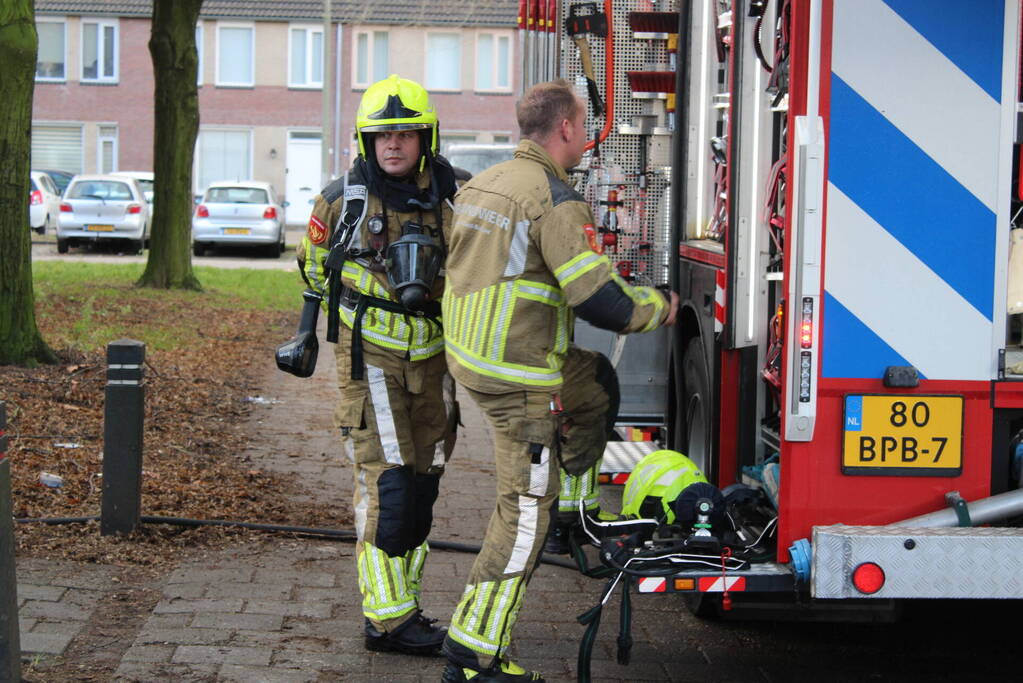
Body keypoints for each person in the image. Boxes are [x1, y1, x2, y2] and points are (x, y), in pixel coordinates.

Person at [439, 79, 679, 682]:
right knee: (522, 513)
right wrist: (665, 306)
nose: (587, 132)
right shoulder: (555, 197)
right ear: (567, 129)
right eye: (584, 122)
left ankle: (572, 511)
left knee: (593, 381)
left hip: (476, 359)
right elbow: (601, 302)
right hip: (520, 376)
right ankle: (474, 655)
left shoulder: (484, 183)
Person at [297, 74, 460, 657]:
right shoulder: (343, 200)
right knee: (387, 484)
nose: (392, 144)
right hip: (372, 363)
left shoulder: (455, 196)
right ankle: (386, 622)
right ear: (366, 142)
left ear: (426, 137)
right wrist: (329, 324)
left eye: (405, 134)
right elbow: (313, 267)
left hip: (437, 363)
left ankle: (405, 605)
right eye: (381, 135)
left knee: (424, 485)